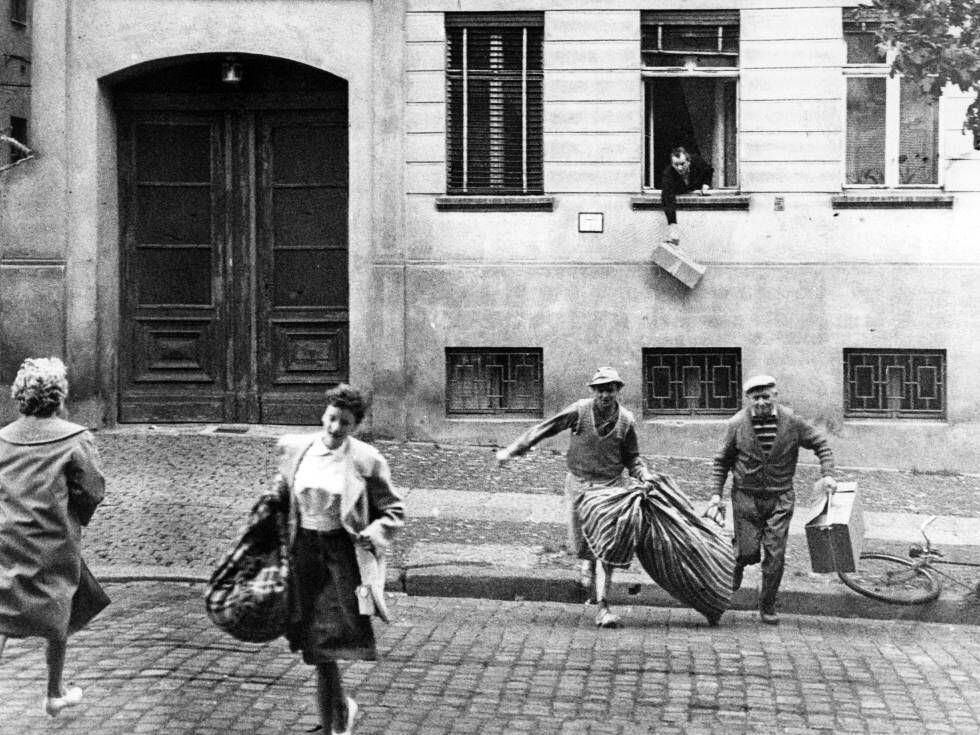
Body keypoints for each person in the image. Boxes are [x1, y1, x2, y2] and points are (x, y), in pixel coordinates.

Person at [273, 384, 404, 734]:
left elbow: (394, 511)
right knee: (316, 649)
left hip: (340, 558)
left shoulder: (365, 459)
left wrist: (374, 533)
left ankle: (336, 724)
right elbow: (283, 494)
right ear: (323, 414)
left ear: (355, 426)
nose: (334, 428)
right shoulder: (296, 448)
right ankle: (339, 711)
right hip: (304, 554)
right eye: (331, 418)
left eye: (344, 423)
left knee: (325, 645)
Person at [496, 367, 656, 629]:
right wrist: (513, 450)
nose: (605, 394)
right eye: (600, 389)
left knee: (607, 548)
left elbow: (632, 457)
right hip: (580, 486)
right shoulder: (579, 411)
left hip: (611, 489)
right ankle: (586, 563)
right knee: (583, 546)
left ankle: (603, 607)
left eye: (610, 389)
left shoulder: (626, 420)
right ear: (592, 390)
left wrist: (644, 474)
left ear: (618, 390)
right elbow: (545, 429)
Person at [0, 357, 108, 716]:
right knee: (59, 607)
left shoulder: (2, 438)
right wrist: (80, 514)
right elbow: (91, 489)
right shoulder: (75, 438)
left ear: (21, 396)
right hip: (53, 538)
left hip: (8, 537)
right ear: (59, 396)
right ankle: (54, 691)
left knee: (2, 607)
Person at [707, 374, 837, 625]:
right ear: (748, 399)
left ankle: (767, 605)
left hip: (781, 497)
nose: (761, 403)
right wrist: (715, 494)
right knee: (748, 552)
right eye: (756, 398)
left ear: (775, 395)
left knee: (775, 555)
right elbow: (721, 461)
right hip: (746, 496)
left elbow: (821, 444)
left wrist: (828, 475)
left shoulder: (792, 422)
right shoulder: (736, 424)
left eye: (766, 397)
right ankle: (737, 564)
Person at [660, 146, 713, 243]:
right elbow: (667, 197)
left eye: (682, 164)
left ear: (689, 161)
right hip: (684, 190)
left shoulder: (697, 161)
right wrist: (673, 227)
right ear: (672, 164)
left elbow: (709, 170)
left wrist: (705, 187)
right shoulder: (668, 173)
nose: (679, 168)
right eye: (676, 165)